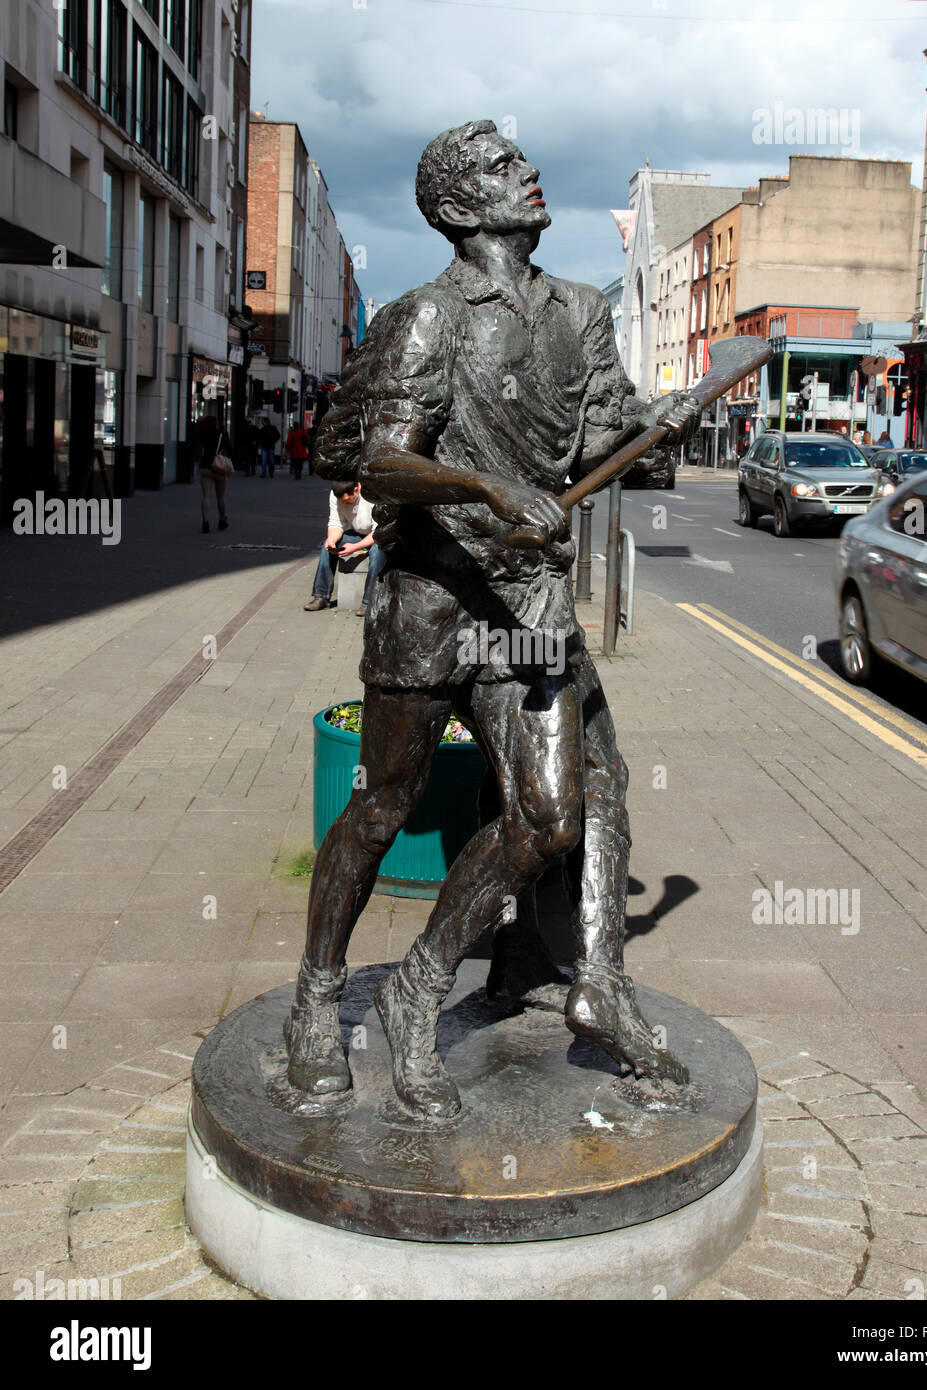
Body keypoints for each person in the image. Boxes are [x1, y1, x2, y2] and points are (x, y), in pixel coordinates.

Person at [283, 119, 700, 1119]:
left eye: (523, 161)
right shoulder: (423, 317)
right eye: (506, 167)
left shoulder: (576, 312)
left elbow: (607, 429)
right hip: (431, 595)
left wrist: (652, 434)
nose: (532, 172)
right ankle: (316, 996)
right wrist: (487, 489)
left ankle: (422, 985)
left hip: (523, 605)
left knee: (552, 814)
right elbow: (377, 459)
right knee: (384, 799)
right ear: (462, 208)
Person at [303, 480, 385, 616]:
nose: (345, 504)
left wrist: (355, 547)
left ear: (357, 489)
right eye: (343, 502)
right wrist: (332, 540)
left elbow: (378, 532)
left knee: (377, 553)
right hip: (359, 533)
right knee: (327, 547)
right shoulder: (336, 495)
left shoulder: (372, 495)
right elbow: (335, 523)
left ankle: (368, 602)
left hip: (378, 535)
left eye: (348, 501)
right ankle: (321, 596)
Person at [194, 413, 231, 533]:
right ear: (216, 423)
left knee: (206, 496)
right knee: (220, 498)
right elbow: (229, 449)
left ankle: (205, 523)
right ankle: (222, 521)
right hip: (219, 467)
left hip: (206, 467)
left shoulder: (202, 433)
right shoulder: (222, 434)